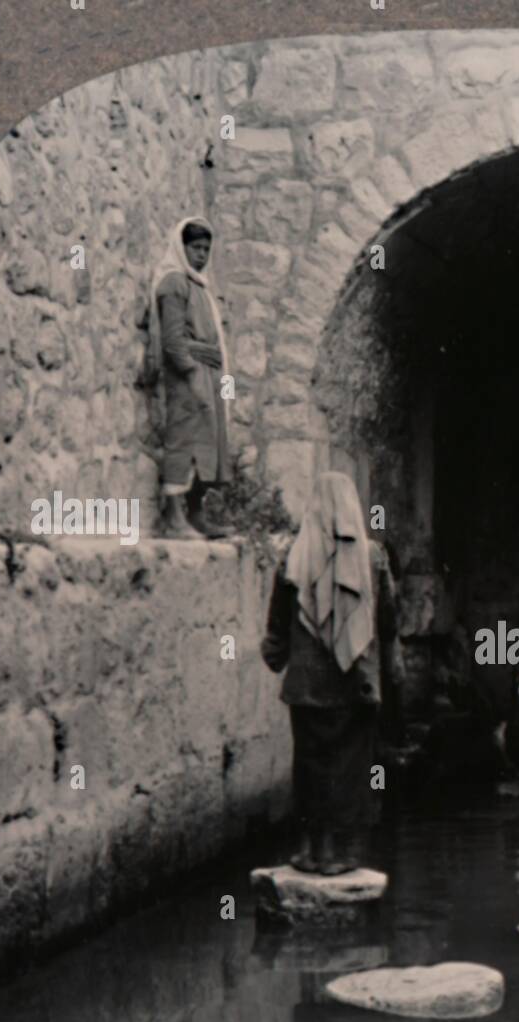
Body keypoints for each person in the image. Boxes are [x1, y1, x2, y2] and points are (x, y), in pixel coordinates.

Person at [261, 471, 402, 875]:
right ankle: (340, 854)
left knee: (308, 766)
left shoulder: (293, 554)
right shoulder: (372, 557)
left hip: (305, 687)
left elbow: (279, 621)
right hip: (353, 681)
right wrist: (391, 667)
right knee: (350, 769)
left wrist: (274, 654)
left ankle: (308, 850)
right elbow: (388, 619)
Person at [147, 216, 232, 538]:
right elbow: (172, 341)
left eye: (206, 249)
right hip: (188, 377)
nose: (201, 255)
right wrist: (192, 371)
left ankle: (197, 513)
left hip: (207, 375)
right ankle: (173, 518)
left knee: (210, 443)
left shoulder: (199, 286)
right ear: (181, 248)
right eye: (196, 247)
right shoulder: (173, 284)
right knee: (183, 439)